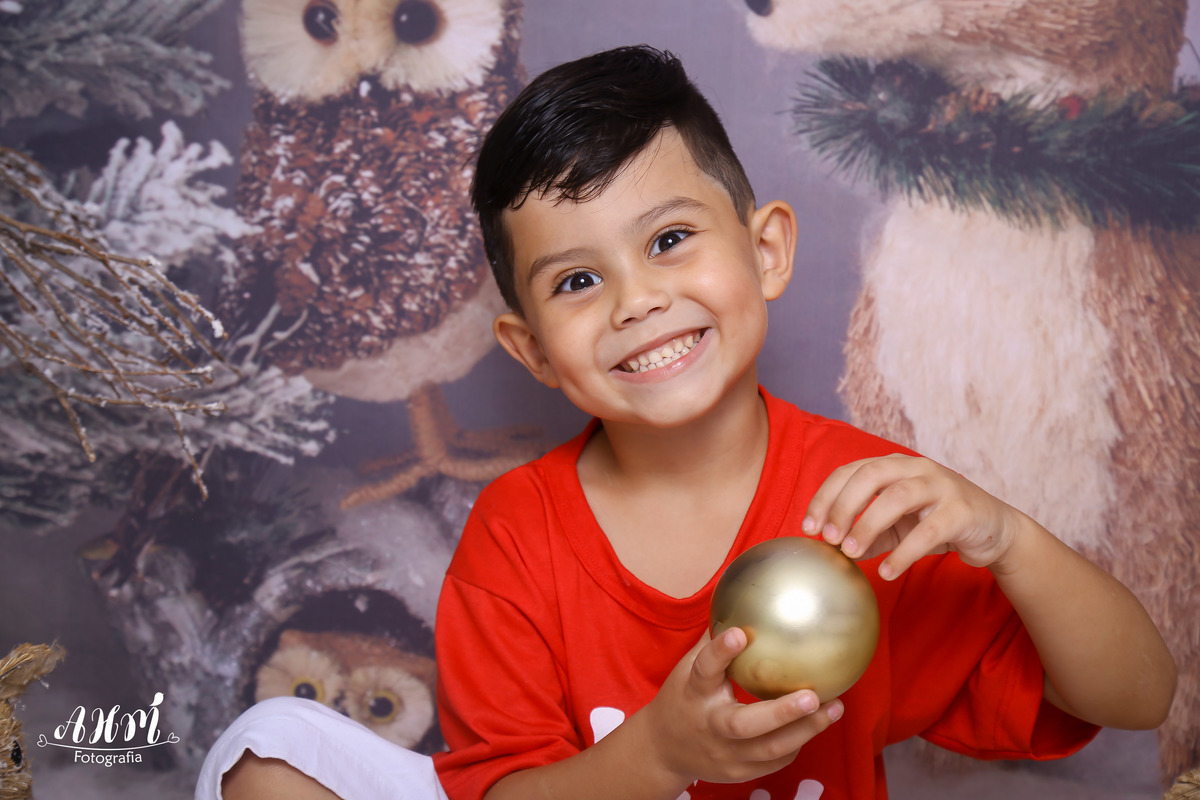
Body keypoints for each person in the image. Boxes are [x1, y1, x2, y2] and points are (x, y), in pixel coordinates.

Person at [200, 45, 1176, 800]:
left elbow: (1138, 694)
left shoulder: (869, 509)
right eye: (576, 281)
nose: (638, 301)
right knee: (269, 753)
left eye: (669, 239)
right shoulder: (517, 534)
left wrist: (1007, 536)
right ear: (533, 351)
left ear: (767, 251)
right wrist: (659, 753)